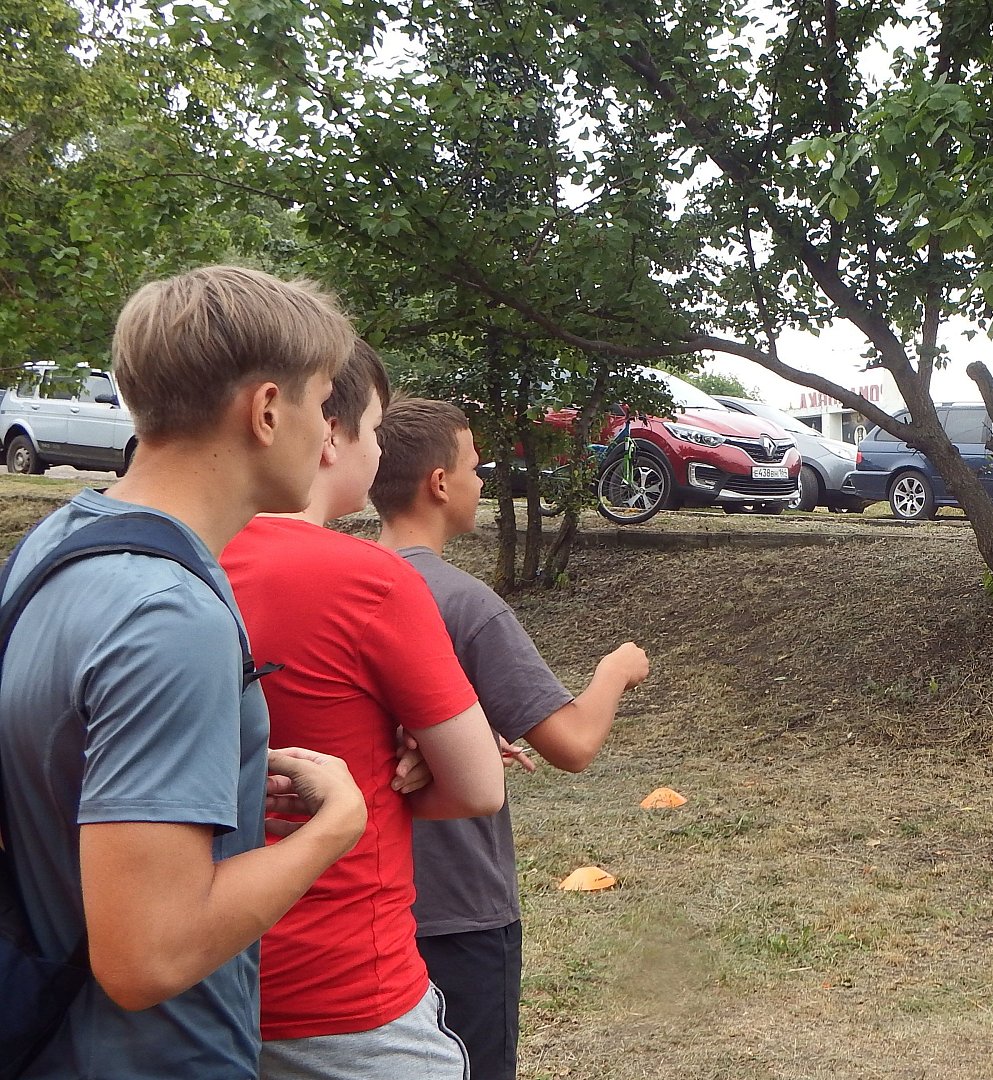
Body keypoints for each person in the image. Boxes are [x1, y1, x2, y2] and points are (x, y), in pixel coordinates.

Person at [0, 266, 368, 1078]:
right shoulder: (169, 614)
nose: (328, 437)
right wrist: (339, 826)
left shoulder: (54, 543)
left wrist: (209, 781)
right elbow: (148, 959)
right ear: (266, 410)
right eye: (322, 404)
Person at [221, 345, 507, 1079]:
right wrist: (403, 761)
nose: (379, 452)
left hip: (194, 989)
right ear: (330, 431)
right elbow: (480, 786)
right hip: (343, 991)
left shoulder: (175, 560)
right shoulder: (369, 581)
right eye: (375, 429)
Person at [370, 397, 651, 1080]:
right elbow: (572, 745)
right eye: (475, 467)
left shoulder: (342, 582)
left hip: (359, 907)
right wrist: (616, 671)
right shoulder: (465, 603)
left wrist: (464, 741)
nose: (483, 481)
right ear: (440, 483)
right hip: (457, 911)